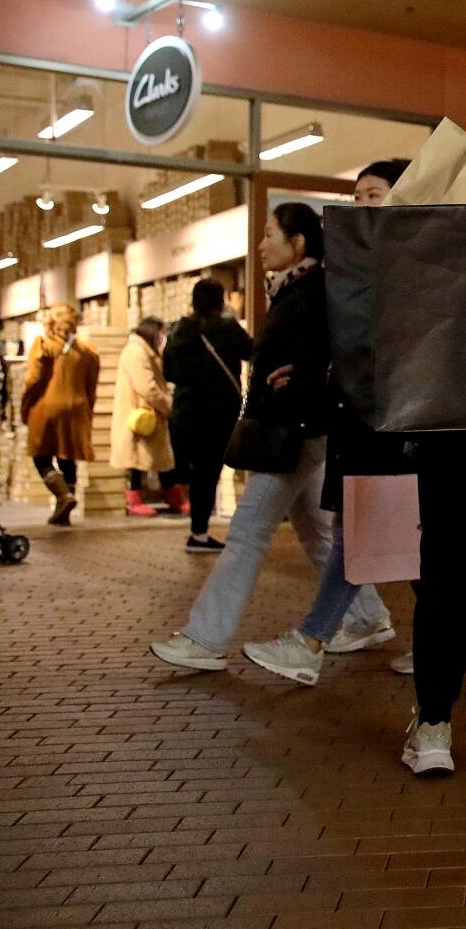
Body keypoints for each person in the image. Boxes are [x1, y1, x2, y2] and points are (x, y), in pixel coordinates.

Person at [150, 205, 392, 672]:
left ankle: (205, 638)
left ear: (298, 242)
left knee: (246, 534)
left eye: (269, 234)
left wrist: (300, 380)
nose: (261, 245)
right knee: (317, 530)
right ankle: (367, 617)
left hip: (295, 427)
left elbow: (335, 354)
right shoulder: (295, 288)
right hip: (300, 425)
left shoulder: (315, 290)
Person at [243, 160, 431, 688]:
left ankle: (310, 640)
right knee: (391, 537)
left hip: (393, 424)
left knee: (362, 533)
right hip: (369, 422)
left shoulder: (411, 267)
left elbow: (379, 354)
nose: (362, 206)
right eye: (358, 197)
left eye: (375, 194)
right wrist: (309, 376)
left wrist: (313, 382)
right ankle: (439, 638)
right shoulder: (365, 266)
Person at [163, 279, 252, 552]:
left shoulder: (178, 331)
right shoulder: (226, 328)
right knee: (207, 473)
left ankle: (198, 530)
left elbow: (169, 373)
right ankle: (198, 533)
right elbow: (253, 352)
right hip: (217, 414)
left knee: (197, 473)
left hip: (184, 413)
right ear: (221, 300)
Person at [22, 303, 98, 527]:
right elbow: (91, 387)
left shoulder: (43, 345)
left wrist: (25, 406)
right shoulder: (88, 351)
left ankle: (63, 496)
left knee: (41, 457)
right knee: (68, 456)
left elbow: (33, 379)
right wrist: (87, 412)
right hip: (78, 408)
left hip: (47, 407)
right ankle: (63, 511)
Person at [108, 315, 176, 517]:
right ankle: (135, 499)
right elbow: (146, 386)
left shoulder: (141, 351)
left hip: (146, 413)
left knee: (155, 458)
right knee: (136, 459)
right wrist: (168, 404)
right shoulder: (137, 353)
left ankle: (170, 496)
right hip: (140, 414)